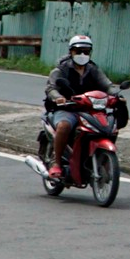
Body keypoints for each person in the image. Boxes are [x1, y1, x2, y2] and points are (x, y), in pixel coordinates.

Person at [43, 33, 114, 181]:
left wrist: (116, 95)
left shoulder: (93, 69)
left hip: (89, 109)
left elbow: (107, 85)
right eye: (78, 51)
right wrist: (58, 98)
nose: (82, 54)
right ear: (71, 51)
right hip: (67, 109)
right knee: (64, 126)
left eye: (86, 51)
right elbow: (51, 88)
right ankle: (57, 163)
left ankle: (101, 160)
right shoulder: (61, 69)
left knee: (109, 127)